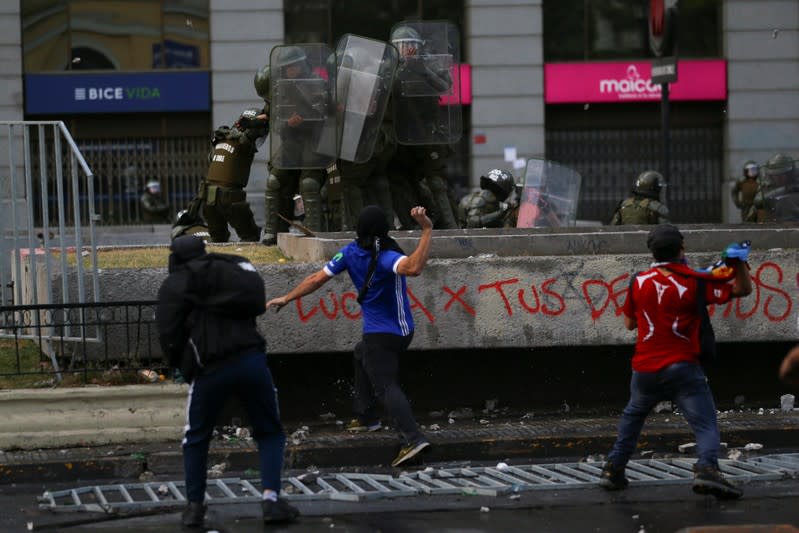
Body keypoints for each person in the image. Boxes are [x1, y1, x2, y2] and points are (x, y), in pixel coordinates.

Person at [266, 205, 433, 467]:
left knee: (386, 385)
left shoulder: (350, 252)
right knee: (361, 353)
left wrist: (288, 297)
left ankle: (412, 439)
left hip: (384, 335)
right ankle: (366, 417)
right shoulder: (388, 256)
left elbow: (316, 278)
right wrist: (426, 229)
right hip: (399, 331)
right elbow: (413, 266)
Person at [599, 224, 752, 500]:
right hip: (682, 367)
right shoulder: (695, 281)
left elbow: (629, 323)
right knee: (705, 423)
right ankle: (707, 468)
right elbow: (742, 290)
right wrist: (739, 263)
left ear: (653, 252)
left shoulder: (639, 280)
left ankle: (613, 469)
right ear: (682, 249)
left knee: (633, 417)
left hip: (644, 368)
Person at [156, 235, 298, 527]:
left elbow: (168, 332)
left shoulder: (177, 283)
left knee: (196, 436)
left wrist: (180, 365)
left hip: (210, 366)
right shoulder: (232, 272)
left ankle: (195, 507)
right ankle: (272, 500)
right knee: (269, 431)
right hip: (251, 359)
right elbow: (256, 305)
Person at [198, 111, 266, 243]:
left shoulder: (221, 137)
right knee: (250, 236)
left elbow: (210, 160)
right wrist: (264, 115)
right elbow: (257, 129)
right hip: (230, 197)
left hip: (208, 197)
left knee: (218, 239)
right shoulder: (244, 139)